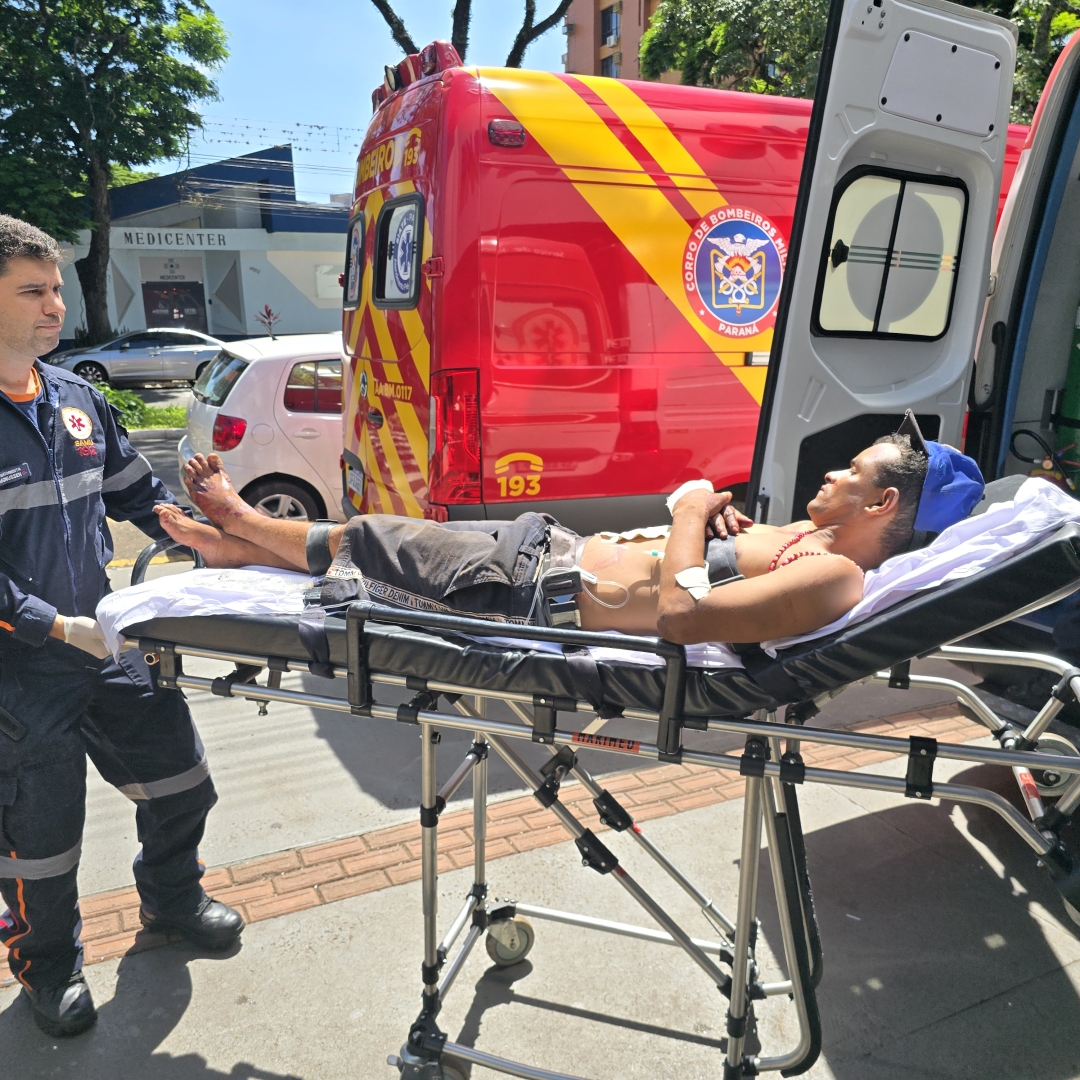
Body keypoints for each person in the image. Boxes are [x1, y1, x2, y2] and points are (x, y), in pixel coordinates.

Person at [0, 216, 242, 1038]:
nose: (55, 305)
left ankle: (172, 900)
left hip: (106, 642)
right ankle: (50, 966)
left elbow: (134, 494)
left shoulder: (75, 400)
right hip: (21, 666)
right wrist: (55, 628)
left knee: (181, 779)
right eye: (32, 291)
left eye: (57, 287)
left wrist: (198, 527)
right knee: (41, 837)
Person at [155, 415, 984, 645]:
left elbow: (683, 619)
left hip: (530, 592)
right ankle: (240, 543)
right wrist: (714, 531)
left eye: (855, 472)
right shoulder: (813, 548)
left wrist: (691, 513)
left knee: (370, 537)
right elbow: (705, 581)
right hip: (544, 556)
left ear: (882, 508)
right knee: (389, 542)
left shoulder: (838, 577)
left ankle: (239, 522)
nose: (834, 472)